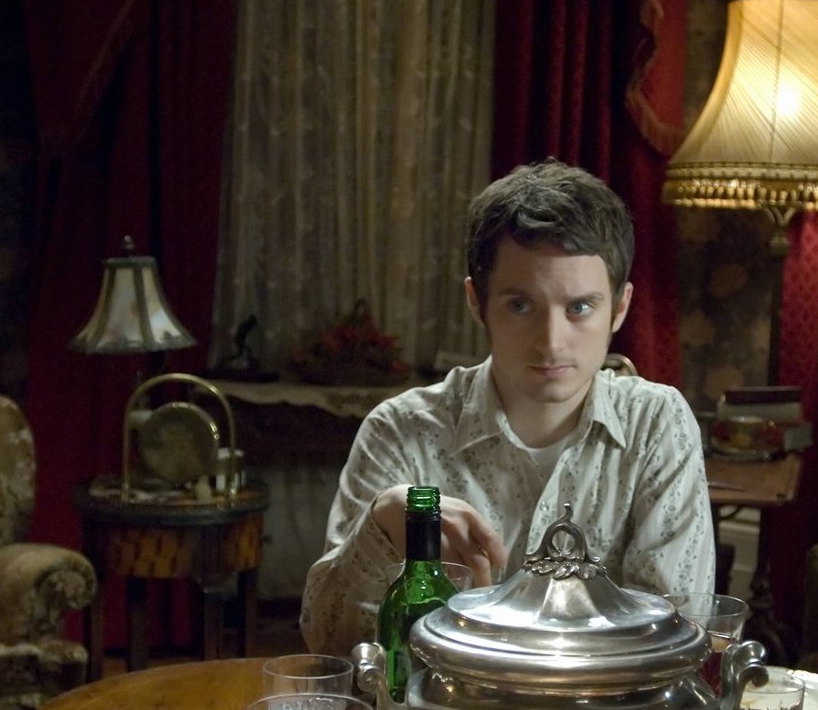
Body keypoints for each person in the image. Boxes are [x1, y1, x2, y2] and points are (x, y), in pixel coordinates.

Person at [301, 160, 713, 654]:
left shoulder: (656, 425)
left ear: (619, 308)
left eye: (580, 307)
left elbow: (675, 635)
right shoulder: (400, 430)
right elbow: (329, 642)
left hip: (603, 707)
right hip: (441, 707)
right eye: (521, 305)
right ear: (476, 302)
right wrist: (384, 523)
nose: (552, 342)